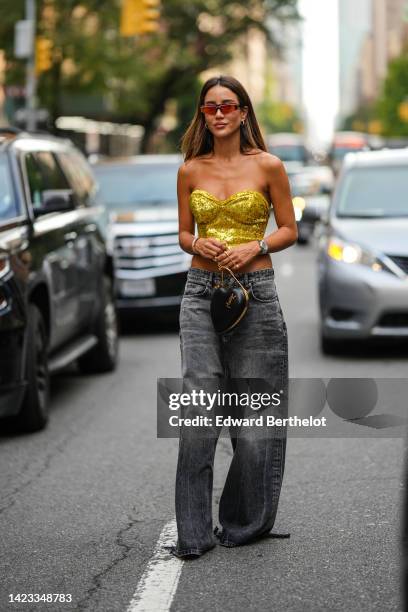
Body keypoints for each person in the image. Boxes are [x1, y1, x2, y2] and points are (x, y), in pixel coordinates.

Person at [170, 75, 297, 560]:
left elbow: (289, 229)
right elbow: (183, 232)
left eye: (227, 105)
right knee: (199, 410)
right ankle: (194, 533)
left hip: (256, 294)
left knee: (256, 420)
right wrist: (195, 243)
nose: (218, 114)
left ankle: (246, 521)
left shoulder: (269, 166)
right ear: (202, 115)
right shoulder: (189, 170)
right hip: (201, 293)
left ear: (243, 112)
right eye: (209, 107)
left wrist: (257, 245)